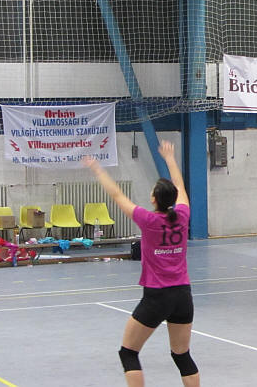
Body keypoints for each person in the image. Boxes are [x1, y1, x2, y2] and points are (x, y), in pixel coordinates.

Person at [83, 141, 199, 387]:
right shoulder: (183, 215)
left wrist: (97, 169)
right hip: (183, 295)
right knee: (182, 355)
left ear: (154, 199)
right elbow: (180, 186)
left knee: (128, 352)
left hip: (157, 296)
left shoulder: (148, 220)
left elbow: (117, 195)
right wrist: (170, 158)